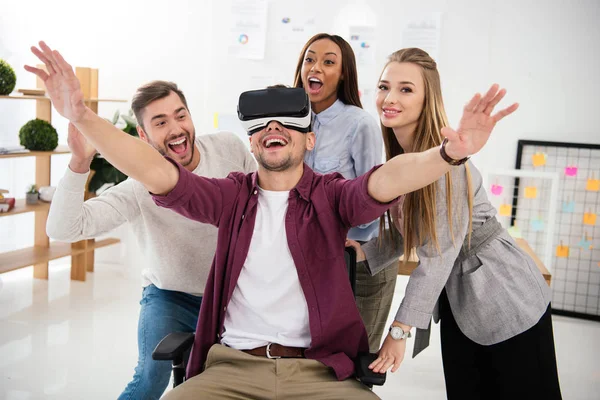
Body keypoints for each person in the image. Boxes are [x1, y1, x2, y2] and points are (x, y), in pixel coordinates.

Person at [26, 41, 516, 399]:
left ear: (311, 140)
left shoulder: (333, 198)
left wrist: (449, 153)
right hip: (229, 367)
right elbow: (156, 172)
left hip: (320, 373)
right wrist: (83, 117)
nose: (274, 129)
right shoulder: (229, 197)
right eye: (262, 124)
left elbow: (388, 179)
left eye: (289, 122)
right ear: (253, 143)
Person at [365, 48, 562, 399]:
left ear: (428, 99)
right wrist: (362, 253)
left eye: (406, 89)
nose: (390, 98)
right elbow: (409, 230)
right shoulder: (404, 159)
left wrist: (398, 332)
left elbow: (438, 254)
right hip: (460, 301)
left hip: (503, 293)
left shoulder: (445, 164)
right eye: (384, 86)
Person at [45, 80, 256, 400]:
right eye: (160, 122)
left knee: (234, 381)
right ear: (143, 136)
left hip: (233, 297)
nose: (175, 129)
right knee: (148, 378)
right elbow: (63, 229)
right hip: (171, 297)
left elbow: (265, 202)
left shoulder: (229, 147)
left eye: (180, 115)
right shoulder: (137, 187)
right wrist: (79, 163)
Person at [294, 33, 397, 351]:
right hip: (313, 259)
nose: (316, 67)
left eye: (329, 62)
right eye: (310, 59)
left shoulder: (360, 125)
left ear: (343, 74)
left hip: (361, 260)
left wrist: (343, 242)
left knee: (353, 363)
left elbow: (373, 201)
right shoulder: (290, 124)